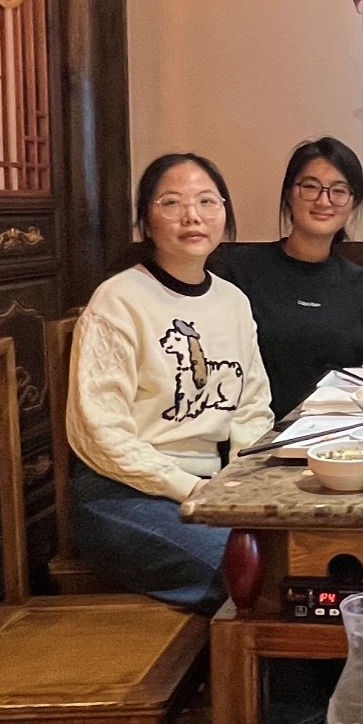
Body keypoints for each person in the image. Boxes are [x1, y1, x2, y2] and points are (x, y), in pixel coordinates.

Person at [66, 153, 273, 611]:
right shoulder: (119, 300)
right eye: (171, 202)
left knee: (292, 560)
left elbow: (252, 407)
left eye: (206, 201)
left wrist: (241, 485)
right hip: (123, 495)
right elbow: (99, 433)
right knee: (255, 577)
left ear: (224, 213)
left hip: (211, 488)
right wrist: (190, 488)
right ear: (146, 219)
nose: (192, 216)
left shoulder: (233, 302)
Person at [213, 137, 363, 420]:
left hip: (333, 437)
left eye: (339, 190)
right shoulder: (240, 269)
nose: (324, 200)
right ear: (289, 194)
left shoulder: (362, 286)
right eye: (310, 187)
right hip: (250, 435)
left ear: (352, 203)